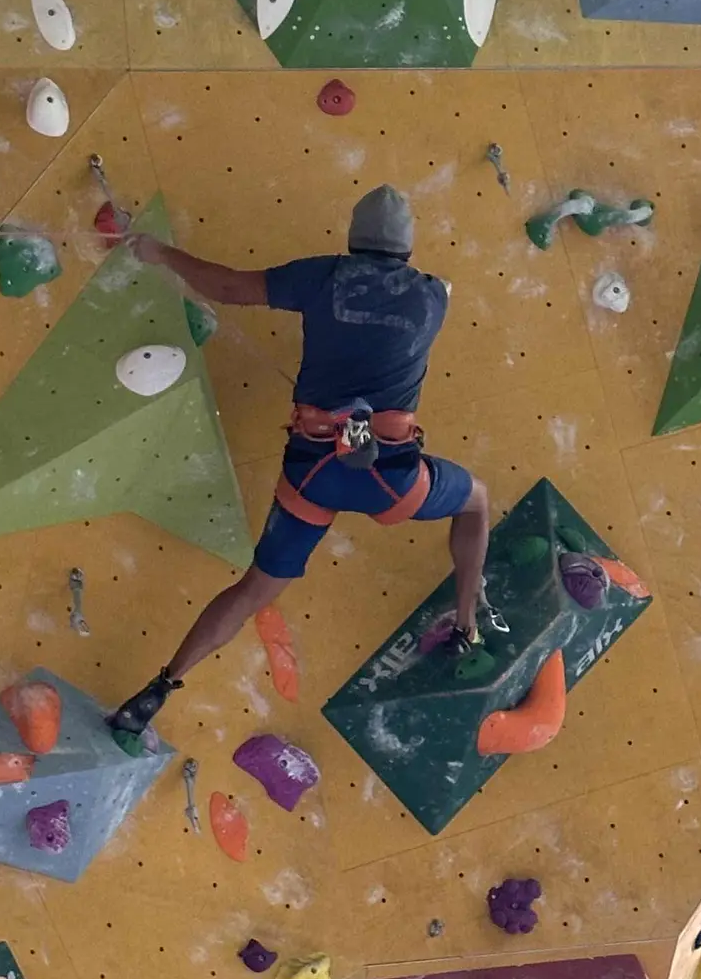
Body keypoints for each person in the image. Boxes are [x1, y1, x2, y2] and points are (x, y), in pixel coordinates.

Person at [107, 184, 491, 738]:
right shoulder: (432, 296)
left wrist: (160, 252)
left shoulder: (324, 276)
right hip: (391, 478)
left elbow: (228, 287)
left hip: (312, 475)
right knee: (476, 501)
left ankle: (162, 686)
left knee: (254, 589)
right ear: (408, 249)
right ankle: (465, 623)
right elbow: (424, 304)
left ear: (353, 240)